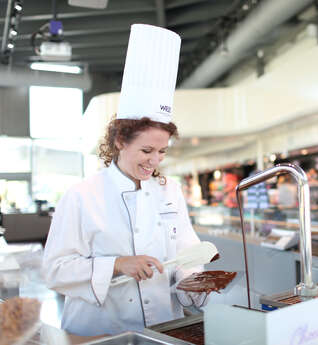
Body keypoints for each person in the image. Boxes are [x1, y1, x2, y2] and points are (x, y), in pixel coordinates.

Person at [42, 24, 205, 336]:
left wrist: (195, 282)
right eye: (146, 150)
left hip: (164, 327)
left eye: (161, 151)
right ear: (119, 141)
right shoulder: (81, 195)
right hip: (102, 330)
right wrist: (116, 264)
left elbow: (187, 254)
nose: (155, 161)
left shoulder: (168, 190)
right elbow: (54, 271)